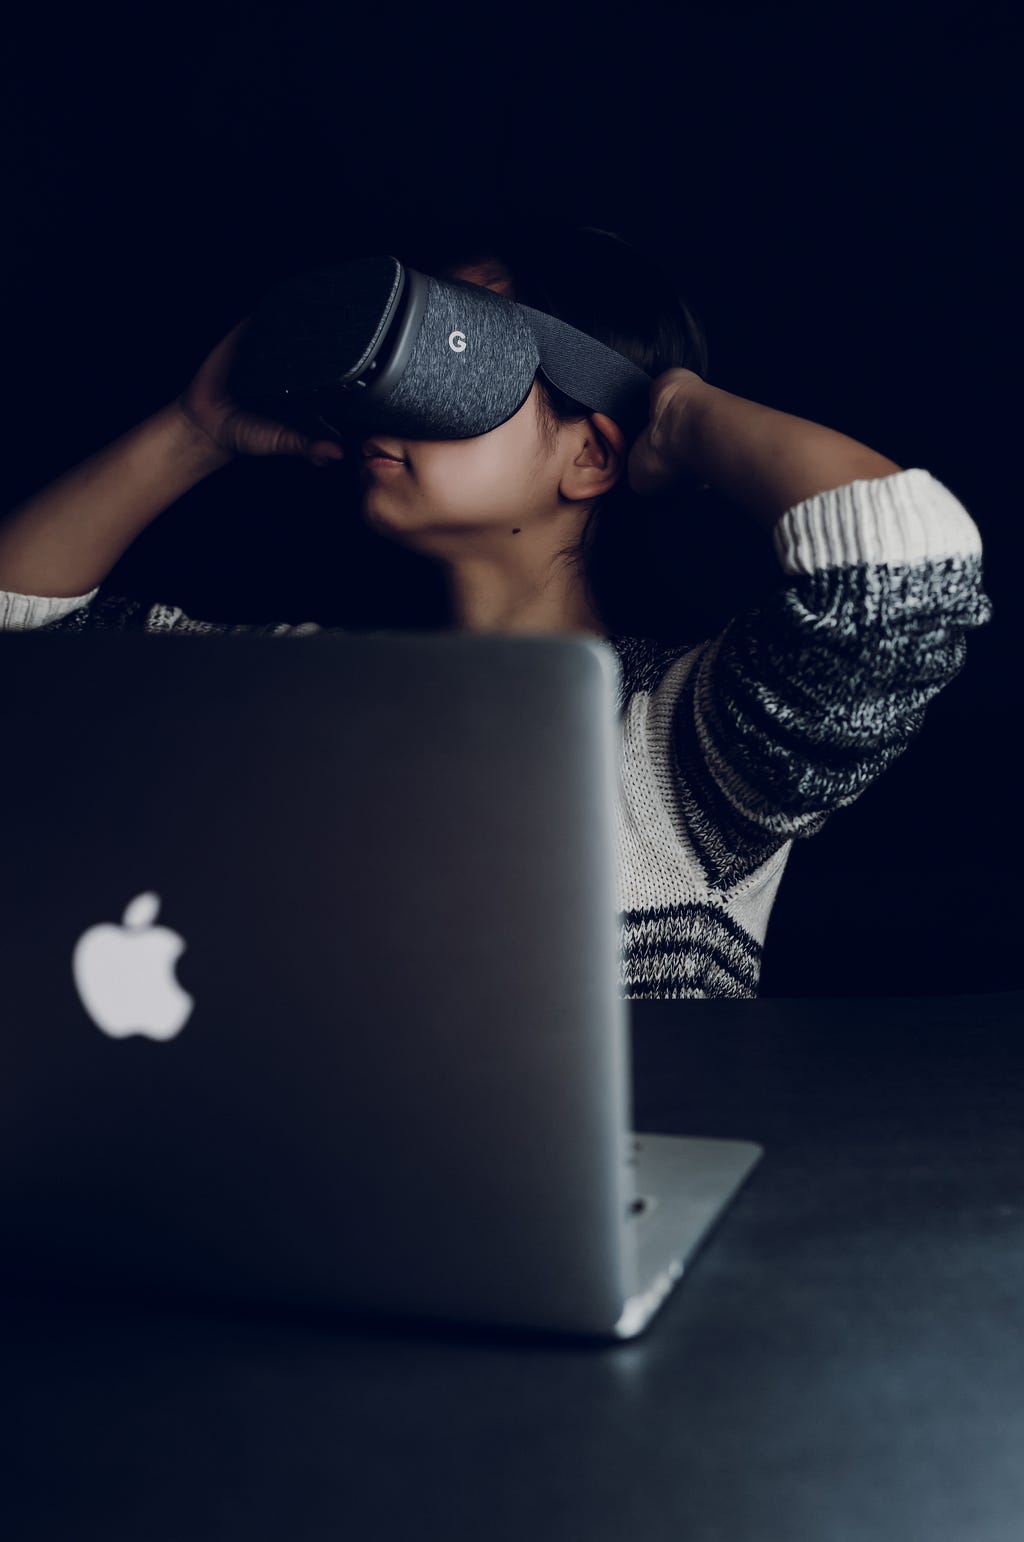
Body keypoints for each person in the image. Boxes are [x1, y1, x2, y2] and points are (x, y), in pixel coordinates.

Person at [0, 219, 994, 999]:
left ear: (592, 452)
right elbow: (25, 657)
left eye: (461, 353)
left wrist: (678, 415)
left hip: (600, 1229)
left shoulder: (681, 747)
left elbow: (899, 568)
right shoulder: (289, 688)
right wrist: (192, 431)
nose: (392, 397)